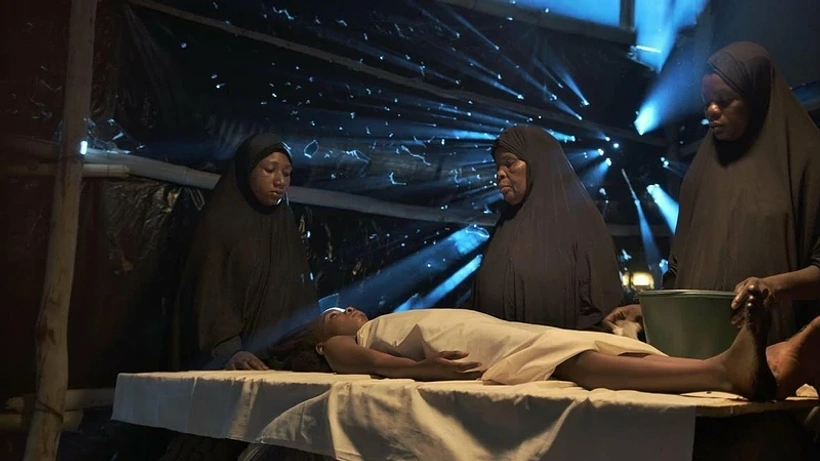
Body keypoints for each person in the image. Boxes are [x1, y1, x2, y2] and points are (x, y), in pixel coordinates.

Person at [607, 42, 820, 343]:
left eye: (724, 101)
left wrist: (774, 287)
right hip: (697, 342)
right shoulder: (703, 169)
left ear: (757, 98)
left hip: (772, 344)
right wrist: (649, 310)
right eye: (707, 102)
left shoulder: (806, 160)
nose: (712, 111)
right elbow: (680, 264)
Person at [269, 293, 820, 401]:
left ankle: (762, 362)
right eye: (333, 316)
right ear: (321, 343)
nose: (348, 311)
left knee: (574, 344)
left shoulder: (376, 322)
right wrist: (430, 370)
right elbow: (376, 365)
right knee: (570, 361)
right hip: (463, 345)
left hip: (477, 328)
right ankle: (720, 371)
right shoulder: (337, 350)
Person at [169, 133, 319, 371]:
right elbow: (209, 294)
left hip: (279, 364)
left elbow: (300, 298)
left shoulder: (285, 228)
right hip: (228, 366)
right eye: (269, 170)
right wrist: (228, 350)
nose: (279, 181)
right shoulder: (220, 224)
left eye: (286, 173)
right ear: (247, 170)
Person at [467, 125, 623, 330]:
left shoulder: (580, 224)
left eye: (509, 163)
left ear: (538, 163)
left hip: (561, 348)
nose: (500, 174)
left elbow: (601, 308)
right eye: (497, 167)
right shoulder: (504, 228)